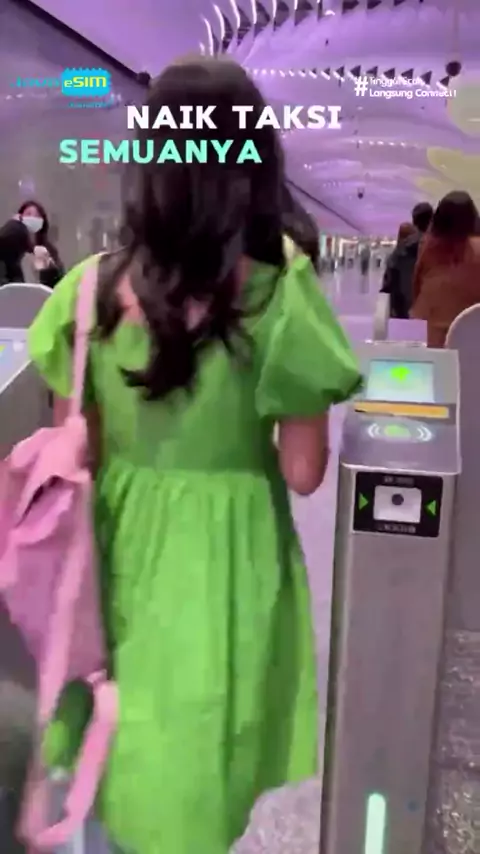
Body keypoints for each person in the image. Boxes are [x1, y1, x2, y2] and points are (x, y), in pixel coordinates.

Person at [27, 55, 362, 854]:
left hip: (112, 550)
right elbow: (304, 472)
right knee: (199, 748)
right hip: (226, 560)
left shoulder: (86, 291)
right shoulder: (279, 291)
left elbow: (79, 448)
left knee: (113, 742)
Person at [411, 191, 480, 347]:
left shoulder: (429, 248)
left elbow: (416, 286)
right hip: (472, 338)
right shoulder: (476, 249)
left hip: (432, 336)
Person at [380, 201, 433, 317]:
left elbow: (389, 282)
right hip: (432, 315)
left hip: (404, 312)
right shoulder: (440, 248)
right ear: (432, 220)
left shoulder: (401, 249)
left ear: (414, 222)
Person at [0, 201, 63, 287]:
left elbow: (58, 283)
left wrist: (48, 270)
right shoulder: (14, 250)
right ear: (20, 217)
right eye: (28, 214)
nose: (33, 218)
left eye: (37, 215)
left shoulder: (49, 251)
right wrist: (14, 224)